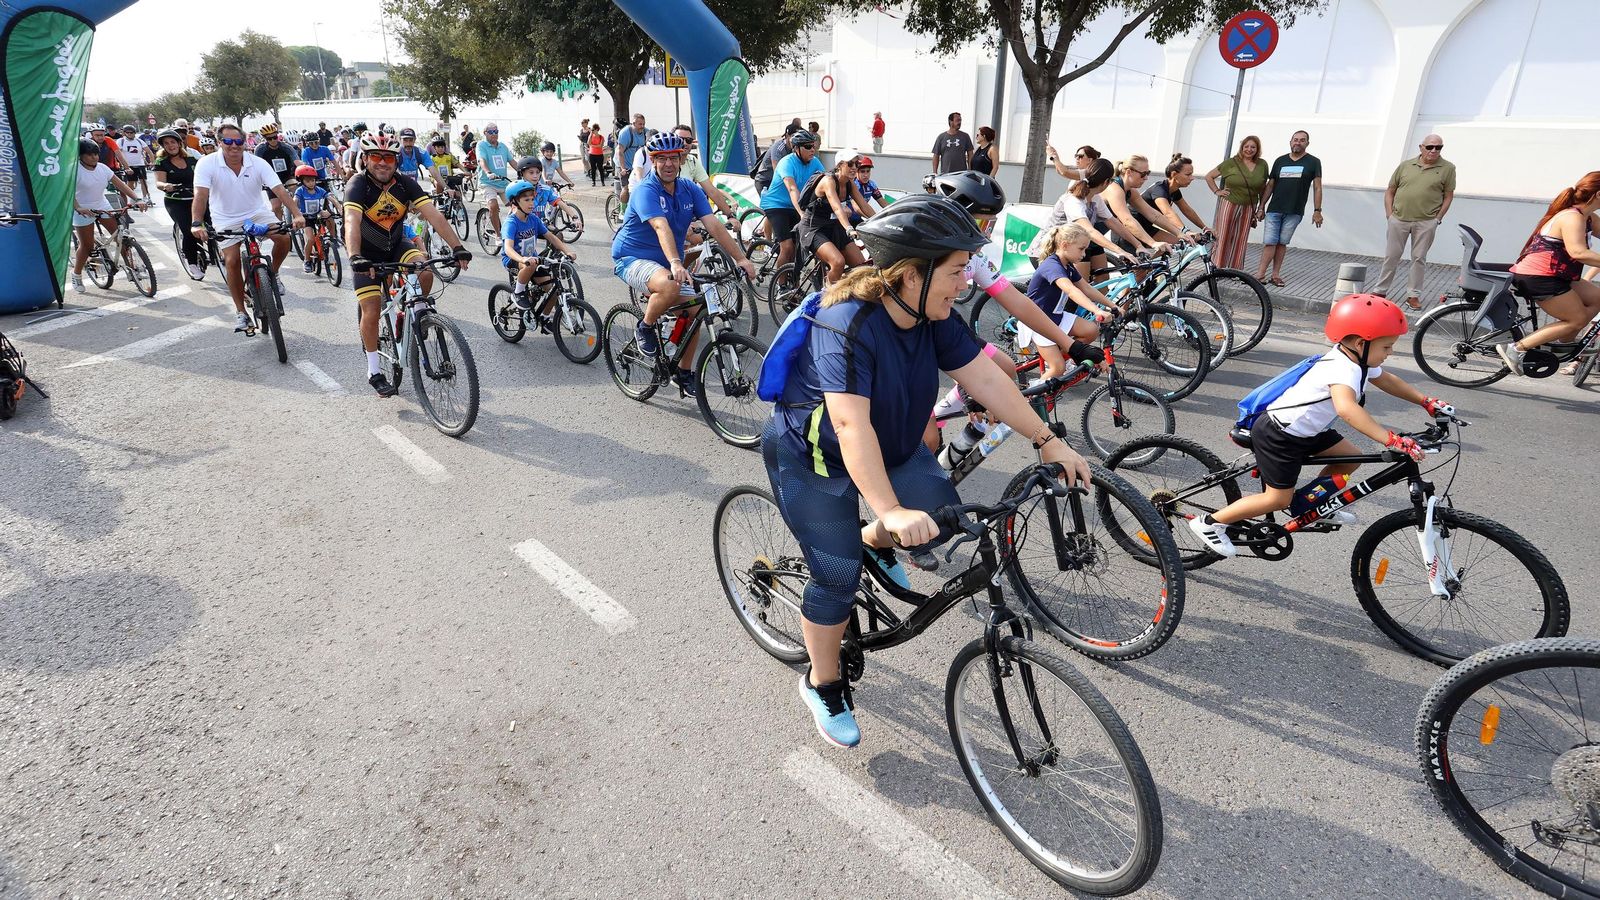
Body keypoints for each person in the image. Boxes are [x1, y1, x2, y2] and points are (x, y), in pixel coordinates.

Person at [762, 193, 1091, 748]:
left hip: (892, 442)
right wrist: (889, 509)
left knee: (941, 515)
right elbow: (849, 427)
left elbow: (985, 380)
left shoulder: (931, 313)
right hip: (814, 456)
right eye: (958, 270)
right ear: (911, 274)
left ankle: (871, 541)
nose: (966, 282)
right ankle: (823, 682)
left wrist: (1048, 440)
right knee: (837, 576)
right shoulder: (846, 323)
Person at [1188, 295, 1449, 559]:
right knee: (1277, 499)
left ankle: (1307, 505)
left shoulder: (1357, 360)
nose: (1390, 352)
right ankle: (1210, 524)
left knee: (1349, 460)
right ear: (1361, 343)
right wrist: (1390, 439)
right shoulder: (1342, 368)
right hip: (1280, 434)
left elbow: (1387, 380)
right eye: (1387, 346)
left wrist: (1425, 401)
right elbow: (1347, 409)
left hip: (1308, 431)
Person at [610, 132, 756, 397]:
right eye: (661, 158)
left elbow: (712, 224)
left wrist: (742, 258)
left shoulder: (689, 189)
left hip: (666, 262)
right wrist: (677, 262)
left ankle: (683, 372)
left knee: (696, 310)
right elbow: (660, 225)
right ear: (653, 161)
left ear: (681, 159)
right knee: (669, 286)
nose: (668, 164)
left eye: (674, 158)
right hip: (631, 258)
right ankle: (645, 326)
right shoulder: (646, 190)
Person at [344, 132, 472, 397]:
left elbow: (434, 216)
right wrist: (355, 256)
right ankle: (374, 370)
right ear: (366, 159)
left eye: (388, 158)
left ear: (396, 160)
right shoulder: (358, 184)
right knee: (371, 308)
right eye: (376, 157)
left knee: (424, 270)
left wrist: (457, 247)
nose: (382, 163)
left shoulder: (404, 184)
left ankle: (414, 315)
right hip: (367, 254)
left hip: (396, 245)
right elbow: (351, 222)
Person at [190, 124, 303, 333]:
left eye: (239, 142)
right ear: (219, 142)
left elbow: (279, 190)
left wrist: (297, 214)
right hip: (225, 218)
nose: (234, 146)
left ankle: (273, 274)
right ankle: (241, 312)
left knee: (284, 238)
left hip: (257, 213)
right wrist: (197, 222)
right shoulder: (206, 164)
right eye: (228, 141)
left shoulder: (257, 163)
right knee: (232, 261)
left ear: (244, 143)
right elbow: (201, 195)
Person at [1495, 172, 1600, 375]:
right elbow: (1578, 253)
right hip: (1540, 277)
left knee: (1597, 298)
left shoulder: (1587, 216)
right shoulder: (1572, 217)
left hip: (1558, 274)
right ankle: (1517, 348)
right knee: (1576, 319)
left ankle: (1564, 343)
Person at [1374, 134, 1456, 310]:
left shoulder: (1448, 168)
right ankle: (1380, 291)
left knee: (1419, 258)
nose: (1434, 150)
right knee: (1391, 256)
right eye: (1430, 147)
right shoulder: (1405, 165)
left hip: (1426, 221)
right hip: (1399, 219)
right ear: (1421, 147)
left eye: (1438, 147)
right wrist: (1390, 215)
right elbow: (1390, 190)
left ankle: (1413, 295)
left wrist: (1437, 219)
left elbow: (1448, 196)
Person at [1023, 225, 1116, 374]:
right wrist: (1097, 310)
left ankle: (1065, 358)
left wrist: (1113, 306)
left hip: (1055, 316)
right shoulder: (1052, 266)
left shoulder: (1067, 265)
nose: (1084, 254)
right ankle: (1033, 396)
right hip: (1038, 320)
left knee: (1091, 330)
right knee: (1057, 368)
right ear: (1065, 245)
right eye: (1081, 249)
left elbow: (1086, 288)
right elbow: (1072, 291)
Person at [1028, 158, 1133, 280]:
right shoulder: (1074, 201)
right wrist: (1120, 250)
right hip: (1046, 251)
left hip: (1069, 248)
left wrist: (1138, 245)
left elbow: (1113, 223)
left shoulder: (1095, 199)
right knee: (1075, 291)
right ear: (1106, 182)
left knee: (1098, 283)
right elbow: (1090, 231)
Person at [70, 139, 146, 294]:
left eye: (96, 154)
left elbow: (121, 185)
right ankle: (76, 274)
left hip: (101, 204)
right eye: (89, 155)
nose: (94, 157)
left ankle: (132, 269)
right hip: (82, 208)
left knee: (120, 237)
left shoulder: (103, 168)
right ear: (80, 156)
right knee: (87, 246)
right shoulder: (74, 170)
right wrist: (78, 207)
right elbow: (67, 193)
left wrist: (137, 199)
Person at [1254, 131, 1324, 288]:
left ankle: (1275, 275)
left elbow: (1317, 187)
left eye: (1302, 140)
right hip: (1274, 209)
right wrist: (1261, 206)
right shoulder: (1280, 161)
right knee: (1270, 242)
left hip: (1294, 211)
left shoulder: (1313, 162)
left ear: (1307, 143)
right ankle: (1260, 275)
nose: (1298, 142)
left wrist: (1317, 210)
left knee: (1282, 243)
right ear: (1290, 141)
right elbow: (1270, 185)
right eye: (1295, 140)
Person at [500, 179, 577, 317]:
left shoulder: (534, 219)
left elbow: (551, 237)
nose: (531, 203)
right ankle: (518, 292)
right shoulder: (511, 223)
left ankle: (545, 318)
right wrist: (522, 259)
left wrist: (567, 251)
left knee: (553, 290)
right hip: (513, 260)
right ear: (515, 202)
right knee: (529, 265)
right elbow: (508, 249)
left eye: (532, 199)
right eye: (526, 200)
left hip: (532, 260)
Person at [797, 152, 873, 284]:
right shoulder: (828, 181)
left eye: (857, 164)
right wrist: (849, 228)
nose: (854, 167)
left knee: (862, 266)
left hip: (833, 227)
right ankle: (828, 300)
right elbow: (837, 209)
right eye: (850, 164)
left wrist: (882, 221)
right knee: (838, 262)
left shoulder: (850, 183)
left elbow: (864, 206)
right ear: (839, 165)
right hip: (814, 228)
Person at [759, 128, 822, 275]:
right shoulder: (786, 162)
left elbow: (825, 182)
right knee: (787, 247)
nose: (812, 149)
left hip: (794, 205)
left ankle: (793, 284)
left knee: (797, 248)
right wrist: (801, 213)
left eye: (813, 146)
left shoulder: (815, 162)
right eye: (808, 147)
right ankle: (781, 285)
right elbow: (792, 189)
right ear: (797, 148)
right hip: (776, 205)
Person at [1204, 135, 1267, 270]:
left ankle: (1235, 269)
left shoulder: (1262, 164)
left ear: (1257, 149)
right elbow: (1209, 176)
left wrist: (1261, 207)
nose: (1249, 149)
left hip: (1249, 206)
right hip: (1229, 203)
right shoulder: (1231, 162)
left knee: (1241, 237)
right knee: (1223, 234)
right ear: (1242, 148)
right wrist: (1217, 191)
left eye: (1253, 147)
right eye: (1246, 146)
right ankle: (1218, 267)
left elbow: (1263, 187)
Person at [152, 129, 206, 279]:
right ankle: (193, 264)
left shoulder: (192, 160)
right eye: (166, 143)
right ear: (163, 146)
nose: (170, 146)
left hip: (197, 199)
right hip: (176, 202)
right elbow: (158, 181)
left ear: (179, 143)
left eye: (173, 142)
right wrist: (165, 185)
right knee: (189, 231)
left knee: (214, 225)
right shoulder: (161, 162)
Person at [1102, 155, 1174, 257]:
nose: (1146, 178)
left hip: (1095, 239)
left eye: (1148, 173)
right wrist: (1152, 243)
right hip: (1083, 236)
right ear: (1128, 172)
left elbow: (1152, 214)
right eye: (1143, 174)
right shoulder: (1115, 189)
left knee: (1104, 274)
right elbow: (1127, 220)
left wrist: (1180, 233)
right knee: (1138, 270)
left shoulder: (1130, 191)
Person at [1141, 154, 1211, 243]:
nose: (1192, 178)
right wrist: (1185, 231)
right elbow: (1168, 213)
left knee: (1175, 244)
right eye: (1188, 174)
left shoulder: (1174, 191)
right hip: (1133, 225)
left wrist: (1205, 228)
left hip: (1146, 226)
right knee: (1175, 243)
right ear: (1174, 174)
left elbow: (1187, 210)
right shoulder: (1159, 189)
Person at [291, 165, 335, 273]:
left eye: (313, 180)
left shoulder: (319, 190)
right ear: (302, 181)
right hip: (306, 218)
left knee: (330, 218)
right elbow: (294, 201)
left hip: (317, 214)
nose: (311, 183)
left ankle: (333, 239)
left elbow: (331, 198)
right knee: (310, 239)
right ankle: (307, 260)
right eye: (308, 181)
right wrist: (296, 215)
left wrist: (339, 208)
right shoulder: (300, 191)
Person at [254, 124, 299, 220]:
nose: (273, 140)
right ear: (265, 139)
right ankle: (280, 228)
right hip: (271, 180)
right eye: (269, 139)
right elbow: (256, 167)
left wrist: (306, 170)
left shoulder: (286, 147)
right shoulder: (260, 149)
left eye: (275, 137)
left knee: (296, 192)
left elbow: (297, 161)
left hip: (287, 177)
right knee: (276, 207)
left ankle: (300, 217)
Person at [475, 123, 514, 237]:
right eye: (491, 132)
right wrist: (488, 172)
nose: (494, 134)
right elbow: (482, 160)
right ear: (485, 133)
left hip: (503, 183)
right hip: (487, 183)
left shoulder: (503, 147)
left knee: (517, 205)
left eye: (496, 131)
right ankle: (498, 235)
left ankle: (509, 227)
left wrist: (526, 172)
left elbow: (513, 162)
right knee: (493, 206)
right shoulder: (481, 145)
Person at [615, 114, 651, 201]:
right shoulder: (625, 133)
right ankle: (623, 210)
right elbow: (620, 152)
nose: (642, 126)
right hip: (624, 163)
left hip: (637, 164)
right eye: (640, 124)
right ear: (633, 123)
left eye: (643, 124)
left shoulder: (646, 132)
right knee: (626, 188)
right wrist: (623, 169)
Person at [395, 128, 442, 192]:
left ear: (415, 140)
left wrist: (446, 188)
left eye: (411, 140)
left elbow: (433, 171)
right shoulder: (396, 154)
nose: (408, 144)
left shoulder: (421, 153)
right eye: (405, 140)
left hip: (413, 188)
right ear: (400, 140)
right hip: (397, 189)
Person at [846, 156, 886, 224]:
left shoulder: (872, 184)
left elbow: (883, 203)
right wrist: (871, 219)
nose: (866, 175)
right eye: (862, 172)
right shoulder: (853, 184)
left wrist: (896, 212)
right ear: (856, 172)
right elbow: (856, 208)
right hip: (846, 220)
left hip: (859, 219)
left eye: (868, 171)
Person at [117, 125, 152, 201]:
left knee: (143, 181)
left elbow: (149, 151)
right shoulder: (121, 141)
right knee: (130, 182)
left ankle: (145, 197)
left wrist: (152, 162)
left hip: (140, 164)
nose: (129, 134)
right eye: (127, 132)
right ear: (124, 133)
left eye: (131, 132)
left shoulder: (139, 141)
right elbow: (118, 153)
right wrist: (122, 164)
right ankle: (132, 198)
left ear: (134, 133)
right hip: (128, 165)